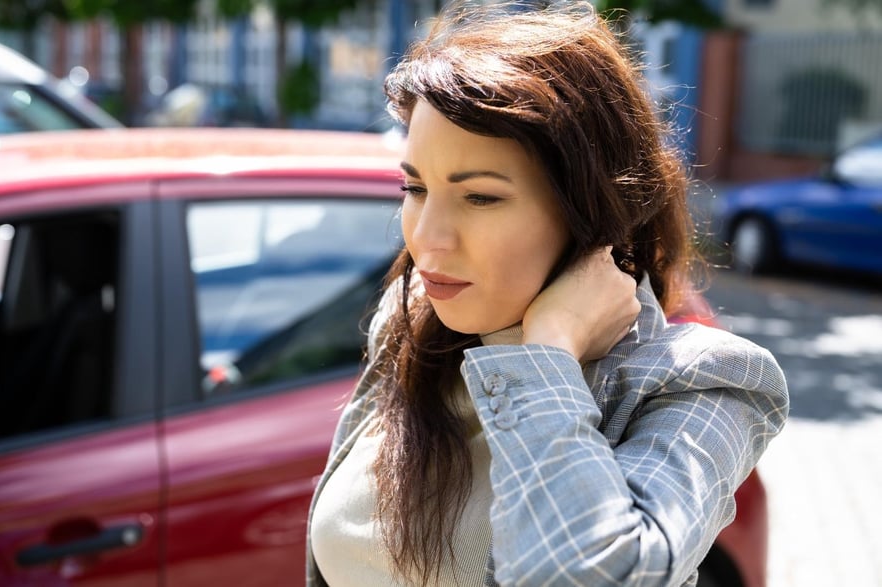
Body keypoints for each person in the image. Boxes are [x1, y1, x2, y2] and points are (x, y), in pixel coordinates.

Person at [307, 2, 789, 586]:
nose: (426, 239)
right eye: (415, 186)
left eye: (480, 197)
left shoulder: (701, 384)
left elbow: (587, 573)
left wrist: (548, 352)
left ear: (589, 211)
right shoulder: (409, 320)